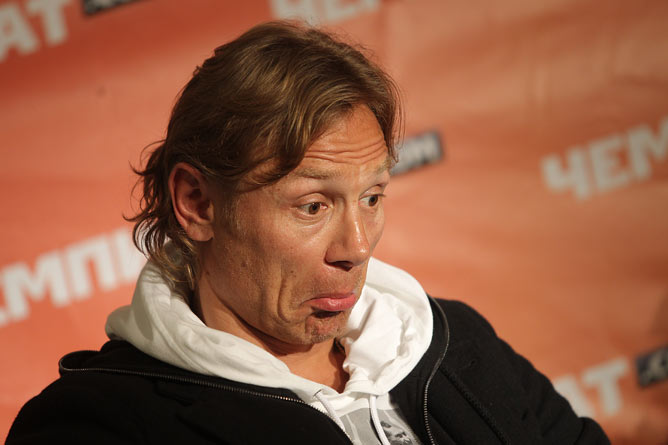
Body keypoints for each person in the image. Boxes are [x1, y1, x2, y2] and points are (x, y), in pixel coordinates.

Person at [7, 21, 610, 445]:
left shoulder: (456, 342)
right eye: (313, 205)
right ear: (197, 203)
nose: (357, 247)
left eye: (372, 198)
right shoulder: (96, 424)